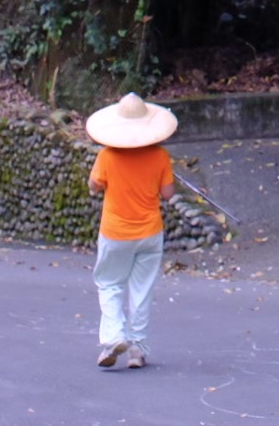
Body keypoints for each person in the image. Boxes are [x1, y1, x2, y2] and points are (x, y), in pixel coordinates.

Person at [84, 93, 176, 372]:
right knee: (141, 290)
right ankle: (137, 349)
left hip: (115, 233)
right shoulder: (160, 156)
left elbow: (93, 186)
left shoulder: (107, 156)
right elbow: (168, 194)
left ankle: (113, 339)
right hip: (149, 232)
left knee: (110, 284)